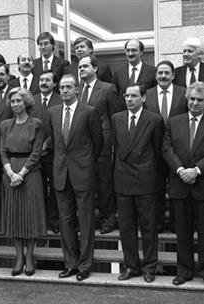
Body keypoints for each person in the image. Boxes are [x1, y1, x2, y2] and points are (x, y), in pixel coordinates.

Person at [162, 82, 204, 289]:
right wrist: (181, 170)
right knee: (182, 231)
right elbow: (167, 149)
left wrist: (196, 171)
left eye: (200, 100)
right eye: (192, 99)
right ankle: (184, 270)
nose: (195, 103)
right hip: (180, 185)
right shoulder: (173, 122)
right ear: (187, 99)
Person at [48, 74, 103, 281]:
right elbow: (54, 142)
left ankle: (85, 265)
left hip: (83, 173)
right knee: (66, 221)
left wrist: (85, 163)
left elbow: (98, 143)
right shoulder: (52, 113)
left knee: (86, 220)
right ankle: (70, 263)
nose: (64, 90)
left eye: (69, 87)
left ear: (77, 89)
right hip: (61, 174)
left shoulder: (89, 112)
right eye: (61, 87)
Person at [112, 83, 164, 283]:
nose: (129, 99)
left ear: (143, 98)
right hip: (123, 180)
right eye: (126, 96)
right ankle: (131, 266)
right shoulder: (117, 119)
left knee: (148, 226)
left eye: (133, 96)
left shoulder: (154, 120)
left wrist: (157, 181)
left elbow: (158, 153)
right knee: (126, 227)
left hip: (146, 180)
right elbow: (116, 149)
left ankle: (150, 266)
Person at [0, 87, 47, 277]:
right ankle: (18, 257)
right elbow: (2, 151)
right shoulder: (4, 125)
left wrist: (22, 174)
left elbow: (36, 153)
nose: (15, 104)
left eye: (19, 101)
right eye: (12, 101)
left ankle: (29, 258)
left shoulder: (36, 124)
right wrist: (11, 173)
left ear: (26, 102)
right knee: (15, 217)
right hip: (10, 173)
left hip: (30, 174)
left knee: (29, 217)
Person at [78, 55, 121, 234]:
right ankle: (89, 220)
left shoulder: (107, 88)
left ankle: (108, 218)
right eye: (79, 67)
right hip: (81, 144)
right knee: (86, 183)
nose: (81, 69)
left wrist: (114, 145)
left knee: (104, 183)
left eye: (85, 66)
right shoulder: (76, 90)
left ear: (95, 68)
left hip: (103, 143)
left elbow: (116, 117)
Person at [144, 60, 188, 233]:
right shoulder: (147, 94)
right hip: (153, 150)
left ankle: (177, 224)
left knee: (177, 189)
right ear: (155, 76)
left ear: (173, 75)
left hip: (177, 150)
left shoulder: (183, 93)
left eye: (166, 73)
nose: (163, 76)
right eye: (160, 73)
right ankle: (159, 223)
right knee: (156, 189)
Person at [31, 70, 62, 233]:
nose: (43, 82)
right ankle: (41, 220)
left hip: (54, 152)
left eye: (48, 80)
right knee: (38, 188)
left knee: (56, 188)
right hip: (35, 154)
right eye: (41, 79)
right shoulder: (32, 100)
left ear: (55, 84)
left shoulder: (60, 99)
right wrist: (37, 146)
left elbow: (59, 126)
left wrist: (47, 144)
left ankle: (54, 221)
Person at [113, 39, 156, 109]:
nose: (130, 54)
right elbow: (115, 97)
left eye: (134, 50)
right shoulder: (118, 73)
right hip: (124, 115)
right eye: (128, 50)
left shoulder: (152, 71)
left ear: (141, 52)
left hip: (147, 114)